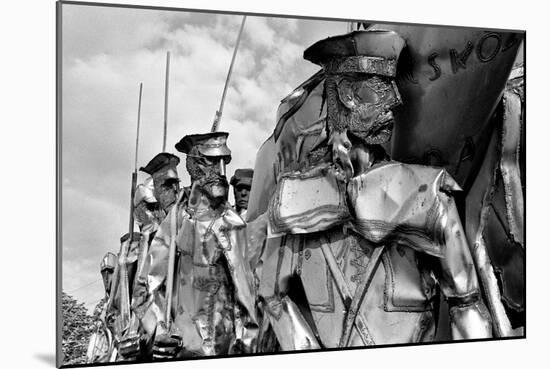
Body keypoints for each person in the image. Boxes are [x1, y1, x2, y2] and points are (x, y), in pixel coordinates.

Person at [255, 30, 493, 351]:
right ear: (348, 95)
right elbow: (272, 293)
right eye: (381, 87)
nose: (395, 101)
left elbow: (467, 305)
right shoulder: (294, 197)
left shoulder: (426, 192)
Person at [131, 132, 258, 359]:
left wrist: (247, 348)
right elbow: (144, 289)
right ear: (195, 165)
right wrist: (158, 329)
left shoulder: (234, 224)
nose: (220, 170)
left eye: (224, 162)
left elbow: (246, 302)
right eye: (212, 161)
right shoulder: (178, 219)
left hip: (226, 350)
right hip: (183, 350)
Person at [86, 252, 117, 363]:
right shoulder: (107, 302)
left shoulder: (123, 294)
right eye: (104, 273)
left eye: (110, 272)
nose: (107, 277)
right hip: (107, 345)